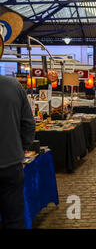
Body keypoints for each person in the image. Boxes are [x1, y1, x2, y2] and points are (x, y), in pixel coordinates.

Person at [0, 76, 35, 228]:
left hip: (10, 160)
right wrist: (20, 148)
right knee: (14, 219)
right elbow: (28, 123)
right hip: (10, 162)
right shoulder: (13, 85)